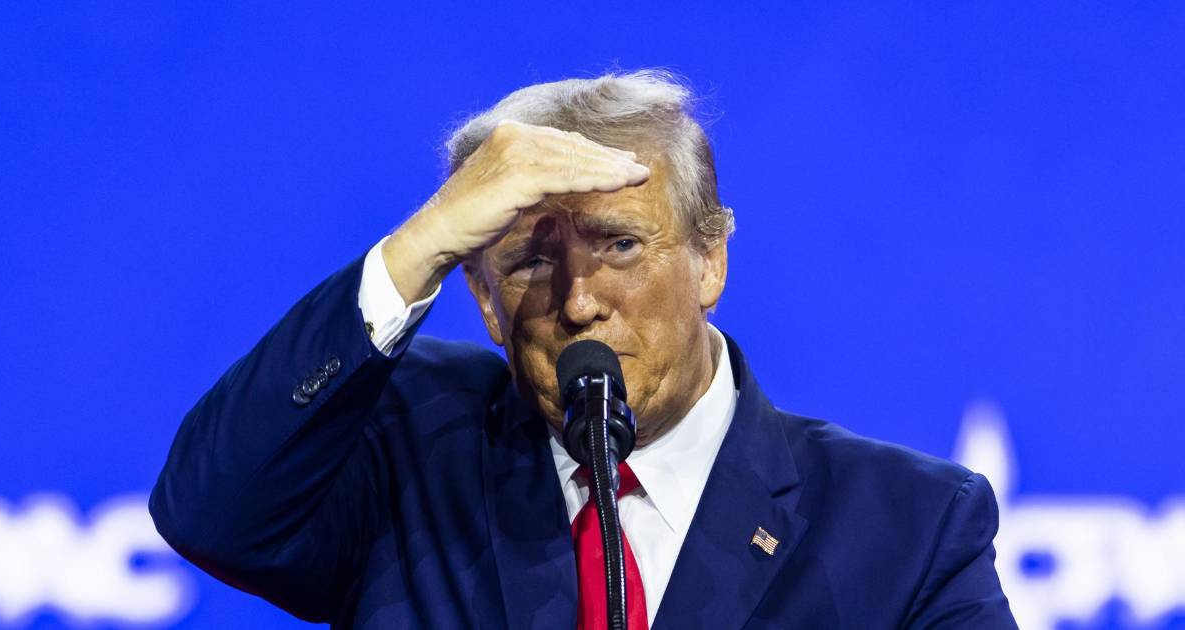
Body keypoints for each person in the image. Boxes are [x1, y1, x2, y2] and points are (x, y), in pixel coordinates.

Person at [149, 70, 1019, 629]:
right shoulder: (409, 444)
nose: (578, 300)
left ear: (710, 258)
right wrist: (424, 242)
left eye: (620, 244)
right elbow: (210, 514)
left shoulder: (907, 527)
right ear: (485, 302)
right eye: (529, 261)